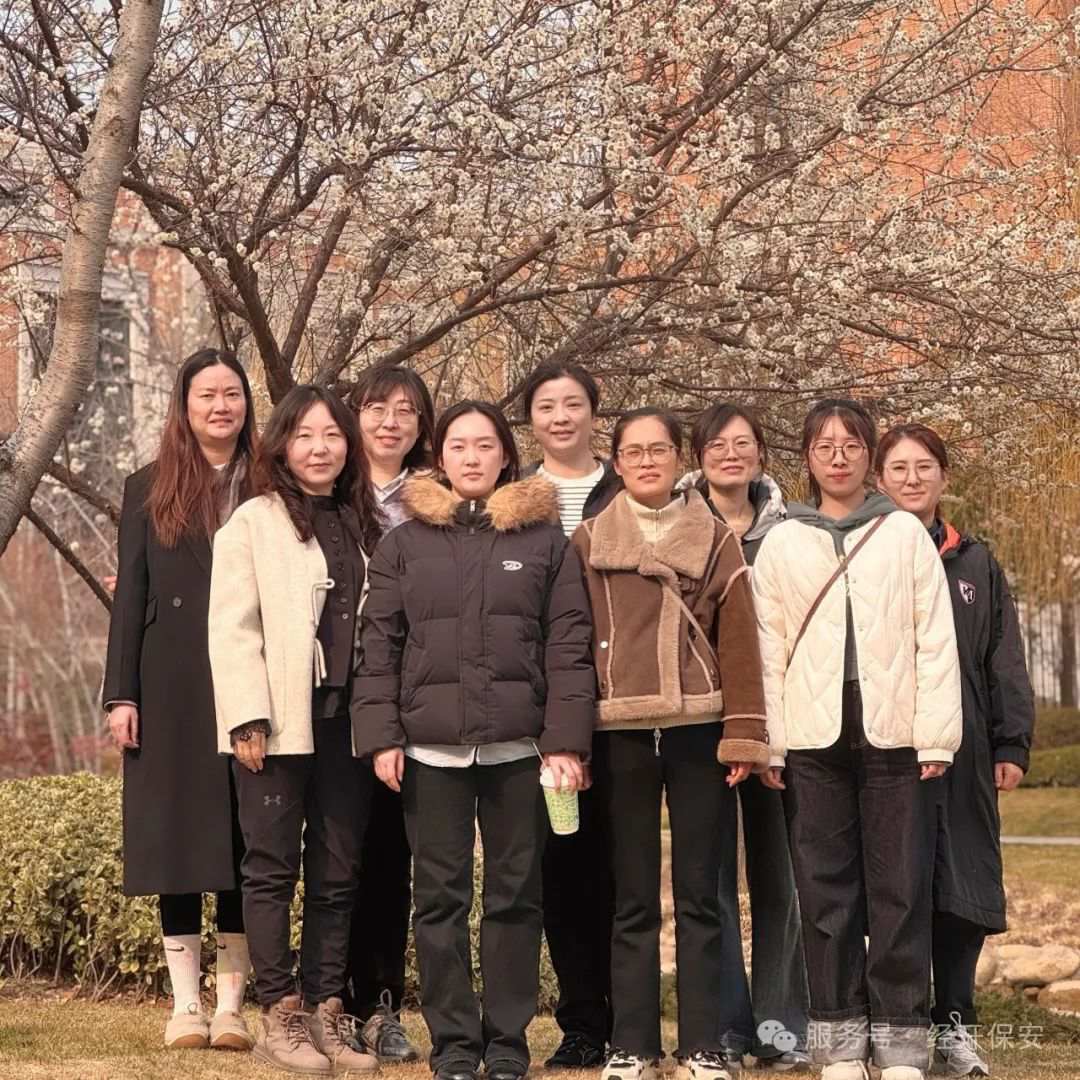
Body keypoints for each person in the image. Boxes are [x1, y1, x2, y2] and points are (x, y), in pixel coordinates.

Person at [352, 400, 595, 1080]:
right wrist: (382, 736)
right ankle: (455, 1045)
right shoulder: (404, 544)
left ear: (505, 456)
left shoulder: (546, 543)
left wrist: (565, 741)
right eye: (457, 445)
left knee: (516, 897)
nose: (471, 457)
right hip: (431, 752)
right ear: (440, 456)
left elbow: (569, 647)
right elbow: (380, 647)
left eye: (484, 445)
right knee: (439, 900)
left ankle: (508, 1043)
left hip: (521, 750)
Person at [752, 399, 963, 1080]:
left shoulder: (902, 532)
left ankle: (901, 1043)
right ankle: (839, 1043)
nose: (838, 457)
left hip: (894, 734)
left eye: (850, 445)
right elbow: (766, 648)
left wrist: (936, 737)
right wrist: (771, 743)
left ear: (869, 456)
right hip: (812, 738)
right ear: (806, 458)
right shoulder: (784, 540)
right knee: (824, 892)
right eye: (824, 446)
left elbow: (935, 638)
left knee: (900, 887)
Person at [572, 406, 770, 1080]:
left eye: (659, 449)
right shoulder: (589, 541)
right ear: (617, 462)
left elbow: (738, 641)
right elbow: (571, 641)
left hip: (698, 729)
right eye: (634, 451)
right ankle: (631, 1044)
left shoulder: (715, 540)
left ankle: (703, 1044)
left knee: (700, 895)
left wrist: (744, 732)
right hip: (619, 731)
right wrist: (572, 738)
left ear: (678, 459)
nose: (647, 461)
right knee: (630, 896)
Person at [208, 385, 382, 1076]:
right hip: (277, 720)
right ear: (281, 444)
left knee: (338, 871)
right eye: (305, 435)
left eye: (332, 435)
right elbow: (232, 625)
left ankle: (324, 1010)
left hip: (349, 721)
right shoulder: (252, 521)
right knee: (271, 869)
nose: (320, 447)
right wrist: (245, 714)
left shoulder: (362, 520)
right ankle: (278, 1013)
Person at [102, 347, 257, 1052]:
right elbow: (130, 594)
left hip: (251, 679)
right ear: (184, 406)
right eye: (206, 395)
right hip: (169, 682)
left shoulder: (270, 482)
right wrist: (122, 694)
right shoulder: (148, 486)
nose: (221, 407)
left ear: (247, 403)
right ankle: (186, 1005)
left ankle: (232, 1006)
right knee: (177, 838)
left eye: (232, 394)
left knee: (244, 838)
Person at [876, 423, 1035, 1078]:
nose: (912, 478)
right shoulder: (866, 552)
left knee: (962, 890)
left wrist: (1011, 740)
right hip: (887, 748)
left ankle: (956, 1029)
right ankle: (897, 1030)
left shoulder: (974, 562)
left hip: (966, 752)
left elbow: (1004, 656)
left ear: (944, 476)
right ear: (879, 479)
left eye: (924, 467)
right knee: (897, 891)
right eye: (898, 468)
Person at [683, 403, 809, 1071]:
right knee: (711, 879)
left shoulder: (792, 532)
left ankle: (781, 1028)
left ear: (760, 452)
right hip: (702, 722)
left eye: (743, 443)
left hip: (781, 722)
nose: (731, 454)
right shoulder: (676, 526)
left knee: (779, 878)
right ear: (698, 455)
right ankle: (725, 1026)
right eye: (717, 444)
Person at [520, 360, 619, 1069]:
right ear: (531, 420)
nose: (561, 417)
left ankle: (631, 1019)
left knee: (619, 870)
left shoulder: (627, 489)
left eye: (573, 403)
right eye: (547, 406)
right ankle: (582, 1022)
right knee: (559, 867)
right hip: (538, 714)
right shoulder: (513, 498)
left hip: (621, 708)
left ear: (593, 412)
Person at [344, 364, 436, 1064]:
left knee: (389, 859)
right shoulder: (327, 491)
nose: (390, 421)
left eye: (406, 409)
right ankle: (328, 1001)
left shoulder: (437, 499)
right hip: (330, 695)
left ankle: (381, 1005)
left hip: (413, 698)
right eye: (377, 407)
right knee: (334, 857)